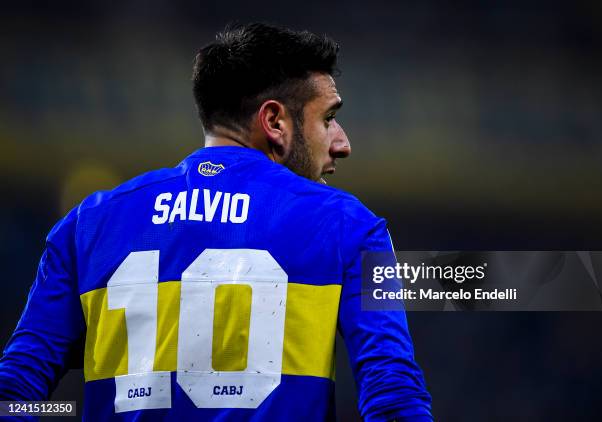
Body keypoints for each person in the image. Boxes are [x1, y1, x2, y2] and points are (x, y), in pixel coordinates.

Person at [0, 23, 432, 421]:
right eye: (329, 118)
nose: (343, 144)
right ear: (275, 121)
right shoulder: (349, 227)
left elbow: (14, 394)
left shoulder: (87, 226)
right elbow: (393, 394)